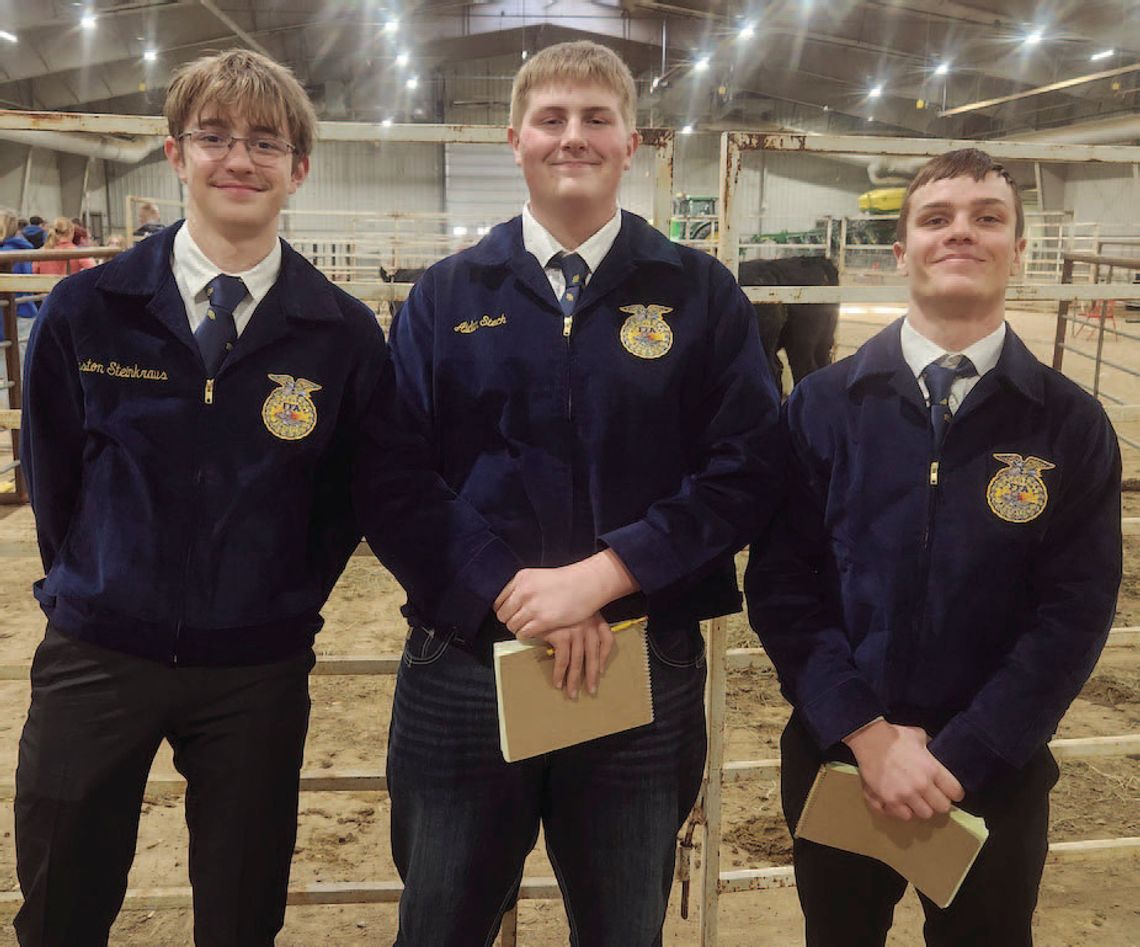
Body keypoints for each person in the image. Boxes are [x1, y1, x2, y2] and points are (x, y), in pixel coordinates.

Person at [15, 48, 516, 947]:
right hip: (97, 658)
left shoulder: (341, 334)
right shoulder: (87, 312)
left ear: (298, 170)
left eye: (264, 142)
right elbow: (53, 479)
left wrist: (277, 601)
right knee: (60, 903)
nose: (237, 159)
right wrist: (99, 580)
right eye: (213, 137)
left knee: (243, 913)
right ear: (176, 154)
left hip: (255, 671)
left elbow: (351, 500)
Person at [385, 40, 782, 946]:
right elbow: (394, 473)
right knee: (440, 920)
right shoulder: (446, 296)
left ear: (631, 140)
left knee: (620, 924)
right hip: (465, 662)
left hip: (641, 662)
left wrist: (604, 575)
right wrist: (512, 588)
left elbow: (746, 467)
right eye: (553, 119)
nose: (575, 136)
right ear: (515, 138)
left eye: (596, 118)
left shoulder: (700, 294)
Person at [745, 148, 1122, 947]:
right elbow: (781, 586)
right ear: (901, 250)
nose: (963, 233)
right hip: (842, 759)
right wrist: (866, 733)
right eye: (937, 218)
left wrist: (966, 752)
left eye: (988, 218)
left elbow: (1076, 610)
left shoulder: (1069, 423)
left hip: (991, 774)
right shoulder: (822, 407)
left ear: (1020, 250)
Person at [30, 217, 94, 276]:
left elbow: (34, 271)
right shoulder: (78, 253)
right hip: (69, 287)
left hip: (47, 287)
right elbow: (93, 269)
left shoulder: (41, 252)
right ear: (71, 232)